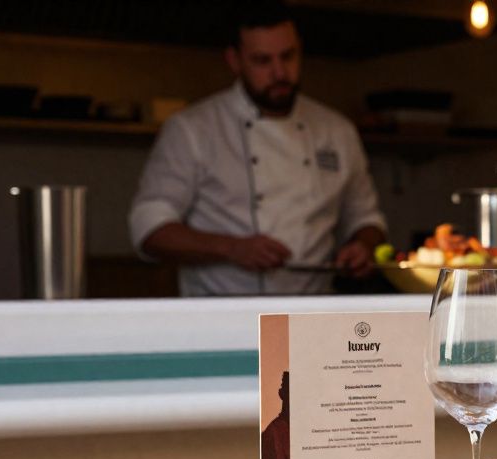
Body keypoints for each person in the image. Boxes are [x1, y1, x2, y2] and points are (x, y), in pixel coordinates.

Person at [129, 2, 386, 296]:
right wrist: (232, 248)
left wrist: (363, 246)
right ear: (234, 61)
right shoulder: (193, 129)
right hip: (223, 316)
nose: (279, 73)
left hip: (312, 315)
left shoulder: (337, 130)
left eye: (287, 56)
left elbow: (366, 219)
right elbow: (149, 227)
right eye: (262, 61)